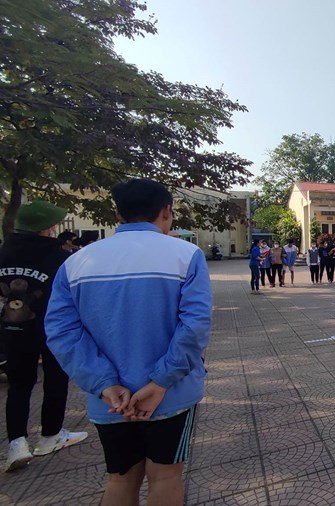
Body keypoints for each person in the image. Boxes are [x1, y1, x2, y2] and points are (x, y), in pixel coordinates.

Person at [44, 178, 211, 506]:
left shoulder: (77, 262)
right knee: (165, 477)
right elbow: (194, 326)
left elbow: (61, 331)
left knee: (119, 479)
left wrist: (104, 383)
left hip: (110, 400)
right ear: (167, 211)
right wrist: (160, 382)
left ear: (118, 214)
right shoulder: (185, 255)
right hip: (170, 395)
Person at [2, 200, 88, 472]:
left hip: (13, 328)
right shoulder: (59, 256)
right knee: (55, 379)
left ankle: (17, 443)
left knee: (19, 385)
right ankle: (50, 435)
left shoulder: (3, 252)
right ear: (46, 229)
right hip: (54, 328)